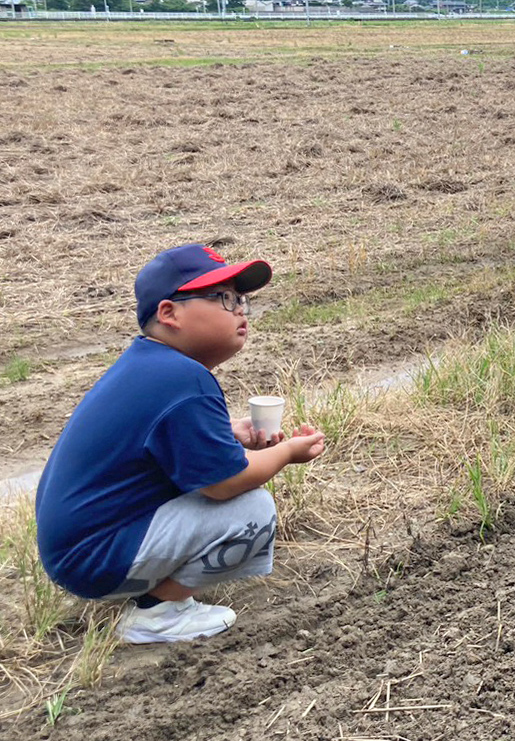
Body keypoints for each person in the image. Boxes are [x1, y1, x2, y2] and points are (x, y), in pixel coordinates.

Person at [35, 244, 327, 644]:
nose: (240, 309)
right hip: (94, 561)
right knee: (252, 509)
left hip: (79, 552)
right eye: (223, 298)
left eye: (241, 299)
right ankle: (159, 613)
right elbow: (225, 483)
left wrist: (229, 433)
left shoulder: (149, 365)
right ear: (169, 313)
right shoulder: (184, 380)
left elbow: (163, 449)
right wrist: (286, 453)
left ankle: (145, 585)